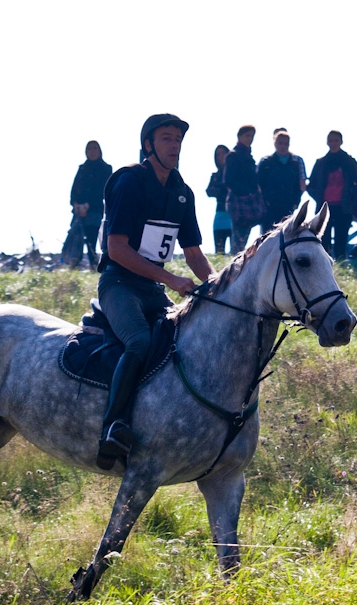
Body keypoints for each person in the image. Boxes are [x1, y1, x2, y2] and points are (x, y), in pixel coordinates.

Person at [95, 113, 215, 469]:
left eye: (178, 139)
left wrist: (219, 287)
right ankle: (111, 428)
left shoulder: (182, 192)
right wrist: (171, 280)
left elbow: (193, 254)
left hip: (150, 288)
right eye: (166, 138)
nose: (175, 145)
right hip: (118, 284)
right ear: (149, 145)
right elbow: (117, 249)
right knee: (140, 342)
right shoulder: (129, 182)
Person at [308, 130, 357, 260]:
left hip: (343, 208)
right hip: (325, 209)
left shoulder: (349, 161)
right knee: (323, 242)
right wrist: (319, 197)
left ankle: (340, 267)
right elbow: (310, 186)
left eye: (336, 140)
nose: (333, 143)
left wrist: (352, 196)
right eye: (331, 140)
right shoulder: (321, 163)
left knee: (341, 240)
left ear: (341, 142)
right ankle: (324, 268)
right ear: (327, 142)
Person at [66, 140, 112, 268]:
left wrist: (87, 206)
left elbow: (103, 190)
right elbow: (74, 189)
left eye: (94, 148)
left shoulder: (106, 168)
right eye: (89, 149)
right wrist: (75, 204)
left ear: (99, 151)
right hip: (78, 211)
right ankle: (74, 266)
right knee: (76, 240)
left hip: (94, 210)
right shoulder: (82, 168)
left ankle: (94, 266)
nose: (92, 151)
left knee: (91, 240)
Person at [256, 130, 307, 234]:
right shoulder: (266, 162)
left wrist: (295, 202)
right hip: (269, 207)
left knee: (286, 236)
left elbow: (300, 186)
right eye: (280, 143)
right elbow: (258, 185)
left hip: (288, 206)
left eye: (286, 143)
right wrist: (265, 202)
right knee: (267, 236)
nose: (283, 146)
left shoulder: (295, 162)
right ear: (275, 143)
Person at [224, 125, 263, 253]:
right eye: (247, 136)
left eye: (252, 136)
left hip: (250, 202)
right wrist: (245, 192)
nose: (250, 139)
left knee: (244, 237)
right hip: (238, 201)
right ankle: (235, 265)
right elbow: (228, 180)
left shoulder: (249, 157)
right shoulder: (233, 156)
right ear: (240, 136)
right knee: (238, 241)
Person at [205, 144, 231, 254]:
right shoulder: (215, 176)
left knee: (236, 251)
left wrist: (220, 188)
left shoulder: (234, 174)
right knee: (219, 251)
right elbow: (209, 191)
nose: (221, 156)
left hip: (233, 214)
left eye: (223, 153)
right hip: (220, 213)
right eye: (218, 154)